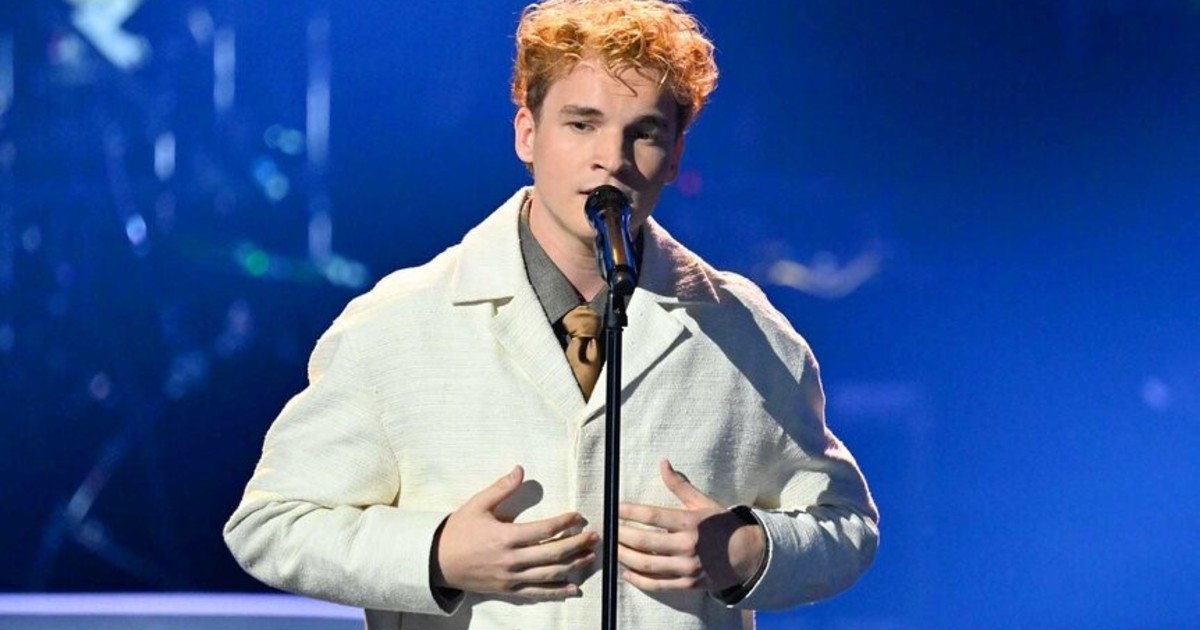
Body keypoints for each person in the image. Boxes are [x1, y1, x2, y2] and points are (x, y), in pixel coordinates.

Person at [223, 1, 879, 628]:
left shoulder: (745, 332)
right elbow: (270, 524)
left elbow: (847, 524)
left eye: (644, 133)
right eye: (582, 124)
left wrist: (749, 551)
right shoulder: (397, 323)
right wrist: (438, 553)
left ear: (676, 154)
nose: (612, 158)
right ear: (527, 134)